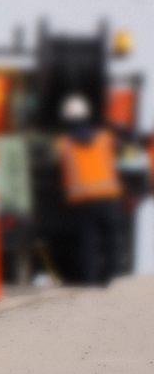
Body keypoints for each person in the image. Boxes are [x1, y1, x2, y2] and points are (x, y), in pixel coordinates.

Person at [56, 94, 123, 286]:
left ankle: (91, 280)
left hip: (83, 200)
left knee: (87, 241)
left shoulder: (64, 144)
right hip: (108, 197)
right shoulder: (105, 138)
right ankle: (112, 278)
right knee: (112, 240)